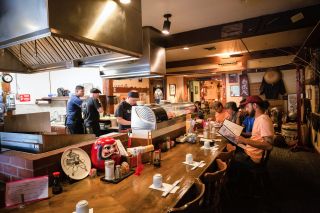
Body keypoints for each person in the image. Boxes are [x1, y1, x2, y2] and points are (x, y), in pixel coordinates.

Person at [235, 96, 274, 166]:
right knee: (231, 147)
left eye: (247, 107)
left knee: (230, 158)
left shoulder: (263, 120)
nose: (246, 109)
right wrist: (243, 140)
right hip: (250, 151)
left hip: (253, 158)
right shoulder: (258, 118)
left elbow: (269, 146)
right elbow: (257, 138)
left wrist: (244, 140)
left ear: (254, 105)